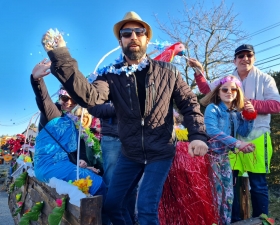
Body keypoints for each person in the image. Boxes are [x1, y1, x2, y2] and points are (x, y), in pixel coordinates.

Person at [41, 11, 208, 225]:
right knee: (112, 205)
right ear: (120, 40)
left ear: (147, 38)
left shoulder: (169, 72)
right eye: (126, 33)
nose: (133, 37)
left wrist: (197, 135)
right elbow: (90, 97)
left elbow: (189, 103)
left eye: (139, 32)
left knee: (146, 209)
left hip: (160, 152)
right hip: (130, 154)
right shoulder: (111, 75)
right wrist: (61, 56)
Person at [188, 44, 280, 220]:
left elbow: (277, 105)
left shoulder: (265, 79)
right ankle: (234, 220)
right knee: (231, 184)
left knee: (258, 183)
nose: (245, 59)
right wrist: (199, 72)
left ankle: (261, 220)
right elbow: (209, 90)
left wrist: (248, 105)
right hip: (230, 141)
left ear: (254, 58)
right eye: (240, 56)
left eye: (249, 55)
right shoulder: (228, 79)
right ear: (234, 60)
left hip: (256, 137)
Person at [30, 59, 106, 196]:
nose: (69, 103)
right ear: (60, 97)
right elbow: (43, 98)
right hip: (50, 167)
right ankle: (107, 216)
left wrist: (82, 162)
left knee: (94, 175)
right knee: (98, 184)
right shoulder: (52, 112)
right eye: (65, 98)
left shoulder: (73, 121)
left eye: (73, 100)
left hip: (61, 165)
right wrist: (37, 80)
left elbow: (75, 148)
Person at [201, 75, 255, 224]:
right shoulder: (213, 108)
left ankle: (225, 221)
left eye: (234, 89)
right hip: (210, 157)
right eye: (225, 89)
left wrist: (250, 117)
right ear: (218, 92)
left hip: (224, 157)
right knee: (216, 194)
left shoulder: (236, 112)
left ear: (238, 93)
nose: (229, 92)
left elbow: (244, 132)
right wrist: (238, 144)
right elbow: (211, 130)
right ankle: (214, 221)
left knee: (228, 195)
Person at [88, 102, 137, 225]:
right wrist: (122, 105)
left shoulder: (135, 83)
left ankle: (130, 220)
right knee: (110, 183)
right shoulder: (104, 83)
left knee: (132, 185)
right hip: (112, 138)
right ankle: (109, 221)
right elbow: (93, 107)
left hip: (133, 138)